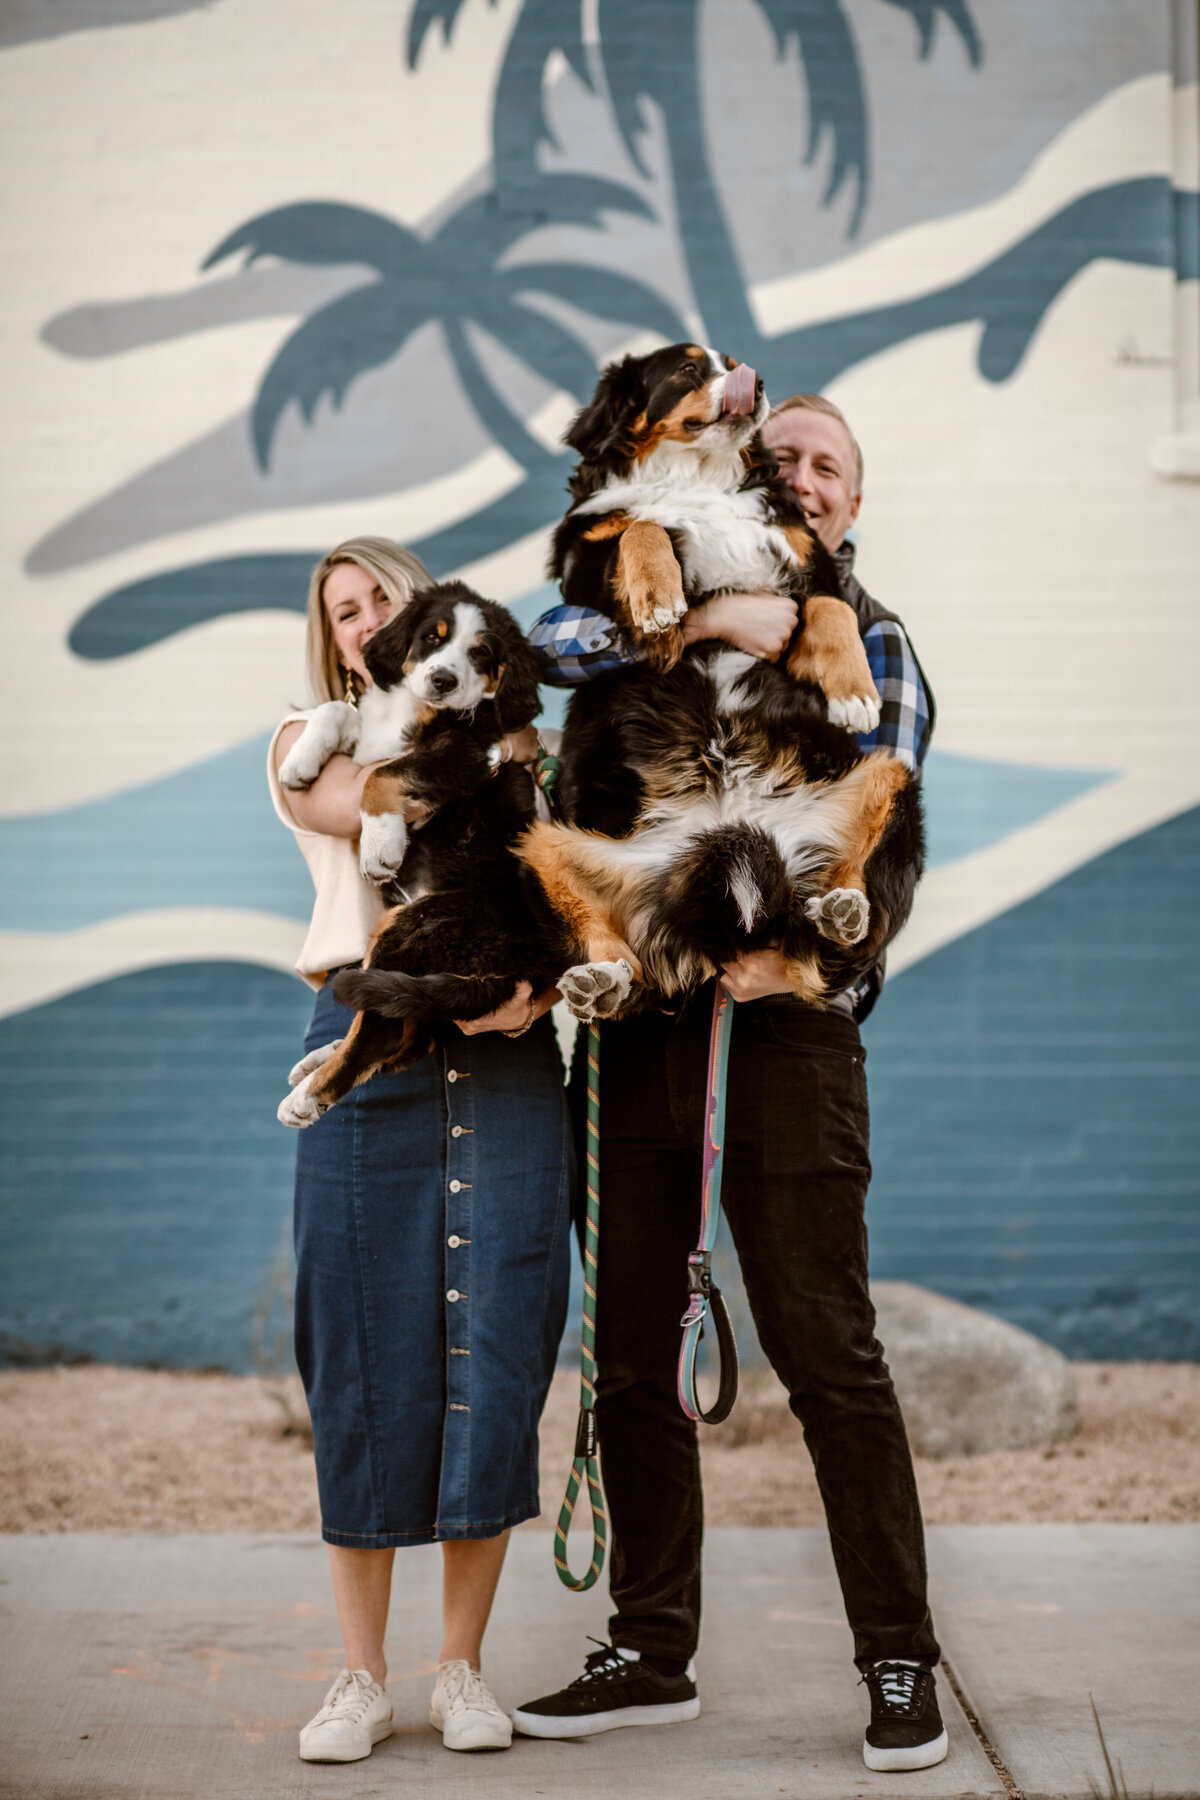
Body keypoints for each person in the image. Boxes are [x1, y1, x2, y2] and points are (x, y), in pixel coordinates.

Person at [512, 397, 946, 1774]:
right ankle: (652, 1651)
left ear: (852, 504)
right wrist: (709, 618)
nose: (804, 476)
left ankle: (897, 1657)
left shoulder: (872, 636)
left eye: (831, 465)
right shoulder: (657, 586)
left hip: (787, 1021)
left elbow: (885, 809)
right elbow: (549, 644)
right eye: (786, 458)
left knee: (829, 1354)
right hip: (639, 1015)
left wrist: (815, 965)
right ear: (750, 480)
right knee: (632, 1354)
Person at [268, 536, 572, 1764]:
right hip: (366, 1036)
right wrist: (506, 751)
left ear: (431, 614)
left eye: (381, 599)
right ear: (340, 639)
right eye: (343, 611)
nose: (364, 622)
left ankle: (461, 1673)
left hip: (502, 1048)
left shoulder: (511, 743)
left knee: (496, 1346)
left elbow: (549, 876)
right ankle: (359, 1679)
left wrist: (538, 996)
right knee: (359, 1350)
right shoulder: (309, 742)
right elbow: (384, 801)